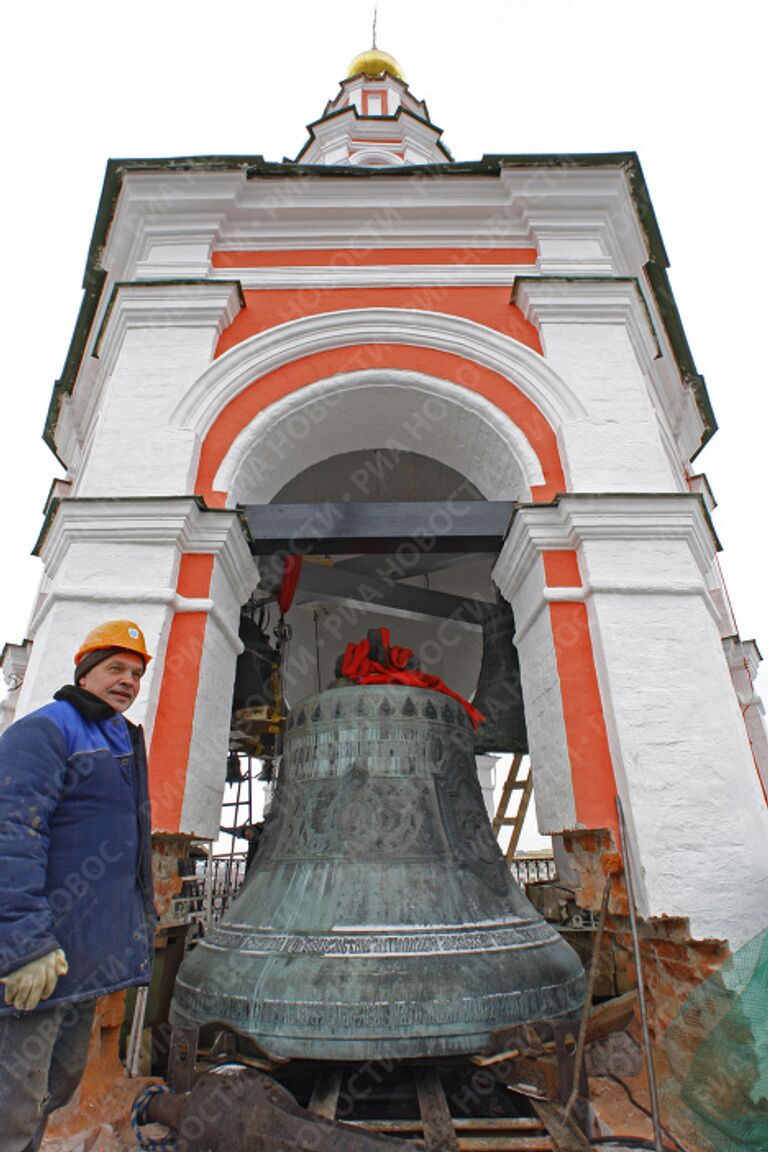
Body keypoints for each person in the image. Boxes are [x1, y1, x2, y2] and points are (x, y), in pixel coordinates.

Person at [0, 620, 156, 1151]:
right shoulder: (45, 731)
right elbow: (12, 835)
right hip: (37, 961)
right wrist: (24, 947)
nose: (128, 681)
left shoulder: (120, 739)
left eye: (136, 673)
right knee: (11, 1105)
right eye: (116, 669)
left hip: (82, 963)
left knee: (54, 1087)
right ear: (84, 673)